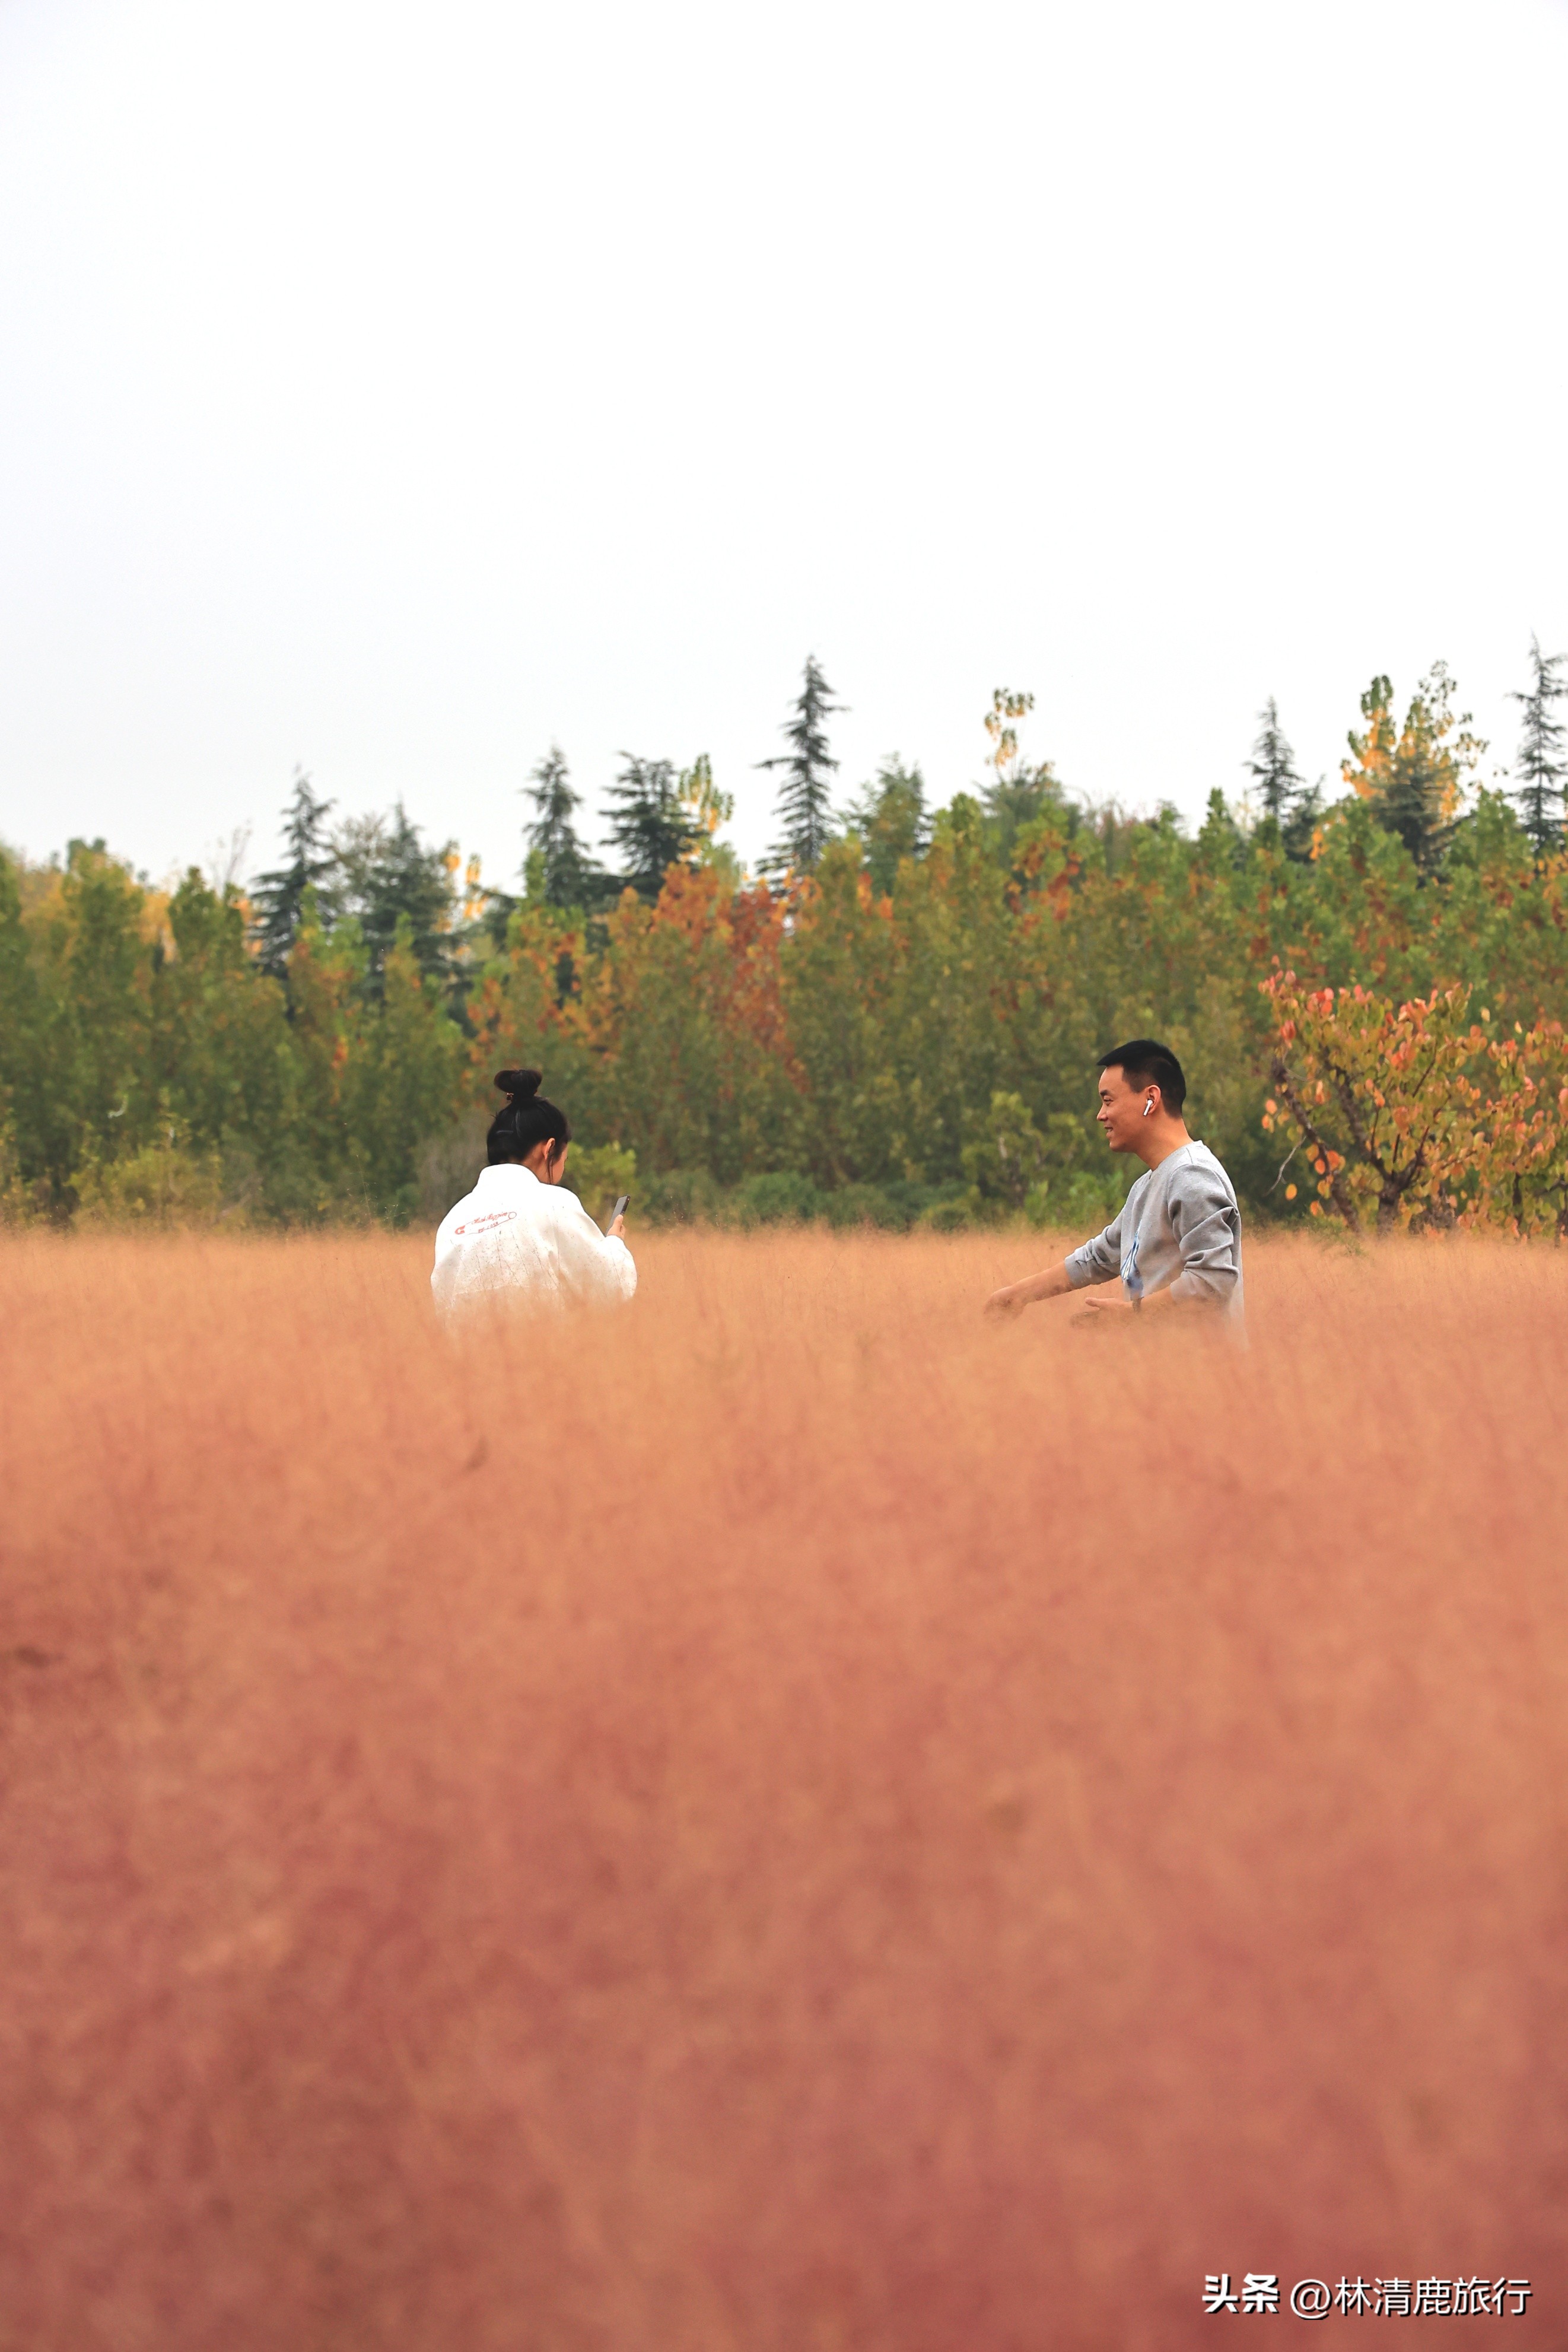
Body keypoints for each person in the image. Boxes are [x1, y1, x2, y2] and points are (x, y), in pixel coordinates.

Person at [984, 1039, 1243, 1329]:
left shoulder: (1191, 1176)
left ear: (1151, 1100)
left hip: (1202, 1371)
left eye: (1108, 1101)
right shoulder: (1148, 1185)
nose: (1101, 1115)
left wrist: (1131, 1315)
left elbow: (1213, 1280)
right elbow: (1100, 1256)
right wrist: (1019, 1295)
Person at [431, 1067, 636, 1318]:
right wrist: (614, 1243)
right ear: (549, 1149)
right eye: (565, 1160)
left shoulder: (454, 1221)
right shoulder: (555, 1204)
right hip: (542, 1355)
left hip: (462, 1358)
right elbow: (609, 1287)